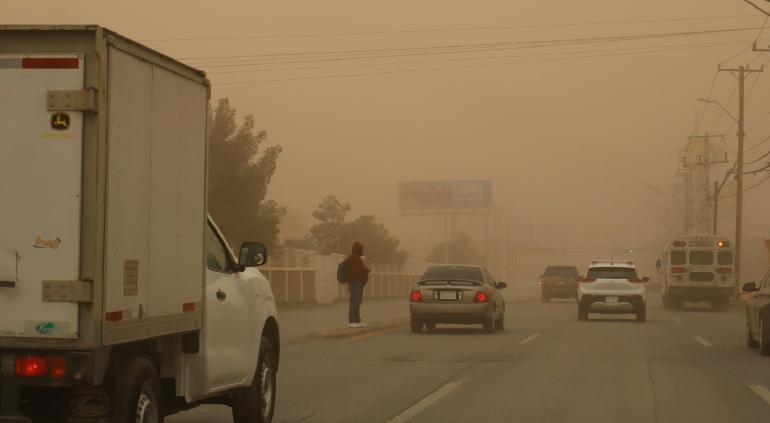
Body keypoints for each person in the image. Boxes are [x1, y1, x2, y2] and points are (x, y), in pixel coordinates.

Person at [347, 241, 371, 328]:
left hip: (358, 283)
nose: (362, 251)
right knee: (355, 302)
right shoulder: (355, 258)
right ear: (358, 249)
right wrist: (367, 270)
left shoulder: (356, 258)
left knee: (357, 302)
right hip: (355, 283)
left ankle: (357, 320)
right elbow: (359, 270)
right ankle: (352, 321)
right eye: (361, 249)